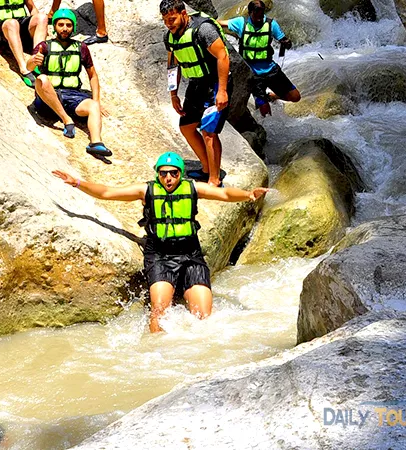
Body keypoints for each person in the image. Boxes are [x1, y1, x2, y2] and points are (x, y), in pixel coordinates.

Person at [52, 152, 268, 332]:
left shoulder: (193, 188)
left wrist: (248, 194)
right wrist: (77, 183)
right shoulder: (146, 190)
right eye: (163, 174)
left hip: (191, 255)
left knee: (204, 317)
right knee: (159, 311)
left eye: (173, 173)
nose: (168, 178)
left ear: (180, 174)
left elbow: (224, 194)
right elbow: (108, 192)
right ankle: (156, 351)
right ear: (158, 174)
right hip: (160, 257)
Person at [161, 0, 231, 187]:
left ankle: (214, 180)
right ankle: (207, 168)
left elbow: (223, 56)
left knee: (208, 132)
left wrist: (222, 90)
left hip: (216, 83)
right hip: (197, 84)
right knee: (187, 127)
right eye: (166, 20)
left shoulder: (203, 30)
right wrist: (173, 94)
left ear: (184, 13)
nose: (169, 24)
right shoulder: (170, 37)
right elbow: (173, 66)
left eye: (172, 19)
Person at [27, 9, 111, 158]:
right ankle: (67, 120)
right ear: (55, 26)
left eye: (68, 25)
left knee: (92, 106)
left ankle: (96, 143)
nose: (65, 28)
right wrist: (33, 62)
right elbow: (28, 67)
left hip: (73, 96)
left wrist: (97, 102)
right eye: (61, 24)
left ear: (73, 27)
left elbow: (93, 76)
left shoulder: (81, 48)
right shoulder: (44, 46)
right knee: (42, 79)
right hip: (49, 97)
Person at [220, 0, 301, 117]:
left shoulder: (271, 24)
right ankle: (262, 106)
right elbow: (220, 23)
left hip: (270, 69)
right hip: (253, 74)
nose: (259, 19)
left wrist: (286, 42)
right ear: (249, 13)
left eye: (261, 16)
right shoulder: (241, 23)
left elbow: (282, 38)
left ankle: (271, 96)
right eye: (256, 16)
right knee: (265, 112)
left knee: (295, 97)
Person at [0, 0, 47, 88]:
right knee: (12, 23)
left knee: (42, 18)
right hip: (0, 26)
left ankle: (36, 60)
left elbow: (32, 8)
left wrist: (38, 27)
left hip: (20, 22)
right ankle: (23, 68)